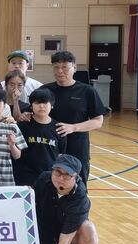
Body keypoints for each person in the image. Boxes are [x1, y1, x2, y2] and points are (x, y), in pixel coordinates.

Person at [34, 154, 99, 244]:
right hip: (47, 230)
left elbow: (65, 242)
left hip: (67, 235)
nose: (60, 178)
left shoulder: (79, 200)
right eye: (57, 172)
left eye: (67, 175)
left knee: (89, 229)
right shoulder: (44, 179)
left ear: (75, 177)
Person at [39, 51, 105, 183]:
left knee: (78, 186)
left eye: (65, 67)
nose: (60, 71)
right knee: (48, 186)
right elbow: (34, 113)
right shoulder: (45, 90)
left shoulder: (87, 91)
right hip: (49, 148)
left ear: (74, 68)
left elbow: (98, 121)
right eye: (56, 67)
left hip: (77, 148)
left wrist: (73, 127)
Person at [15, 88, 66, 187]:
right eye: (37, 103)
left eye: (45, 103)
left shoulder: (59, 128)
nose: (41, 106)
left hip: (49, 176)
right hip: (25, 175)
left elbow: (60, 154)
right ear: (31, 106)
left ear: (52, 105)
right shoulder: (23, 125)